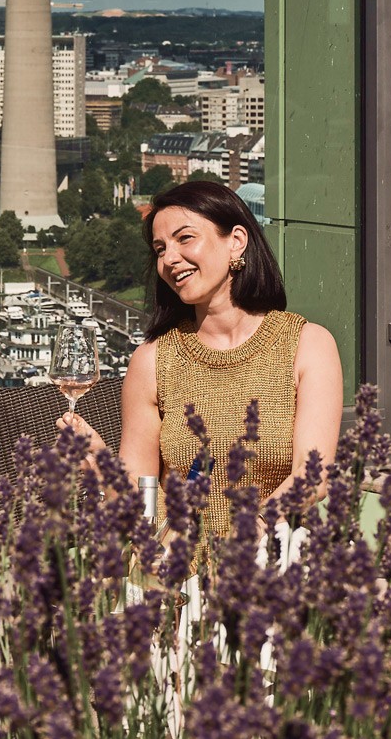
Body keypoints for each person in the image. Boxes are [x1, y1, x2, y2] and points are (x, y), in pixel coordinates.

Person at [110, 179, 343, 545]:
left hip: (274, 565)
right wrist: (98, 463)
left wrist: (246, 538)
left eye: (185, 238)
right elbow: (139, 501)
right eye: (160, 249)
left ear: (236, 241)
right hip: (182, 575)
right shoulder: (153, 360)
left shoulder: (306, 345)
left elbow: (313, 475)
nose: (169, 258)